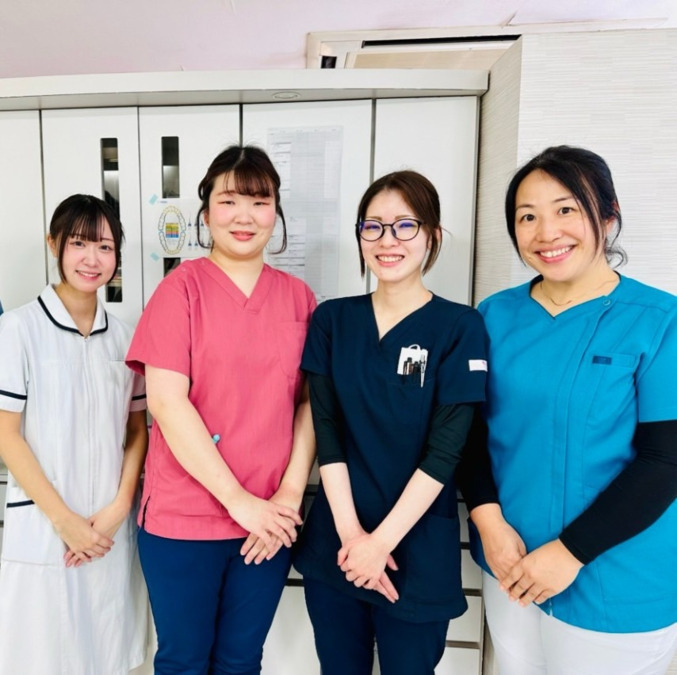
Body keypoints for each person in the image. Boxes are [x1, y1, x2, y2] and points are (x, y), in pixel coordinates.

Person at [457, 145, 677, 674]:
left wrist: (570, 552)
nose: (546, 232)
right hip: (509, 562)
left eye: (566, 209)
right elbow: (469, 431)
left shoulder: (659, 320)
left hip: (616, 575)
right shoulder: (493, 316)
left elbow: (666, 461)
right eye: (527, 217)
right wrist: (488, 522)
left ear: (608, 215)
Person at [126, 144, 316, 675]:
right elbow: (166, 403)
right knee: (184, 661)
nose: (244, 216)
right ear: (206, 213)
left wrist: (286, 497)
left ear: (275, 214)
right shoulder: (179, 291)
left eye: (259, 202)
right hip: (185, 519)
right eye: (229, 201)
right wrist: (238, 502)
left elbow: (311, 403)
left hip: (268, 522)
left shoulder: (300, 298)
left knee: (241, 660)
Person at [295, 170, 489, 675]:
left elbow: (447, 448)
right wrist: (353, 539)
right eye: (373, 226)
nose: (387, 240)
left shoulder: (460, 326)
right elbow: (326, 429)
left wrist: (379, 545)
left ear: (433, 236)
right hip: (338, 544)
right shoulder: (333, 320)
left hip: (416, 549)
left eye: (405, 225)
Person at [0, 194, 149, 674]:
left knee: (106, 654)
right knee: (42, 656)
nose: (92, 259)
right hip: (47, 526)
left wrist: (120, 506)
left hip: (107, 527)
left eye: (105, 247)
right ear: (54, 244)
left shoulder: (125, 338)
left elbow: (137, 429)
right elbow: (6, 434)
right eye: (79, 244)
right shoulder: (18, 330)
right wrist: (64, 520)